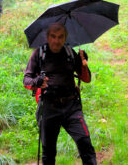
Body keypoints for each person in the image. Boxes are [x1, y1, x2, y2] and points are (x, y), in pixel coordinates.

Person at [23, 23, 97, 165]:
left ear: (65, 38)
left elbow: (86, 79)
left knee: (85, 143)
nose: (56, 40)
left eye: (60, 37)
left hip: (71, 106)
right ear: (47, 36)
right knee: (48, 152)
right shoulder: (39, 54)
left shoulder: (70, 52)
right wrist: (37, 82)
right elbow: (26, 80)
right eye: (53, 36)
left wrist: (83, 63)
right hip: (49, 108)